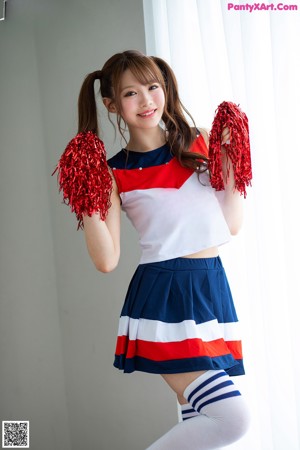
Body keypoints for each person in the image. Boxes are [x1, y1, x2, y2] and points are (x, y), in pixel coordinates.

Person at [62, 50, 250, 449]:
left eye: (153, 87)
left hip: (211, 288)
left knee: (198, 419)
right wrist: (86, 188)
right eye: (131, 93)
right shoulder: (116, 172)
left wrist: (234, 156)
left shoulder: (200, 142)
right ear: (112, 104)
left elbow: (229, 225)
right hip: (166, 296)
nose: (147, 100)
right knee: (232, 420)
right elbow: (106, 259)